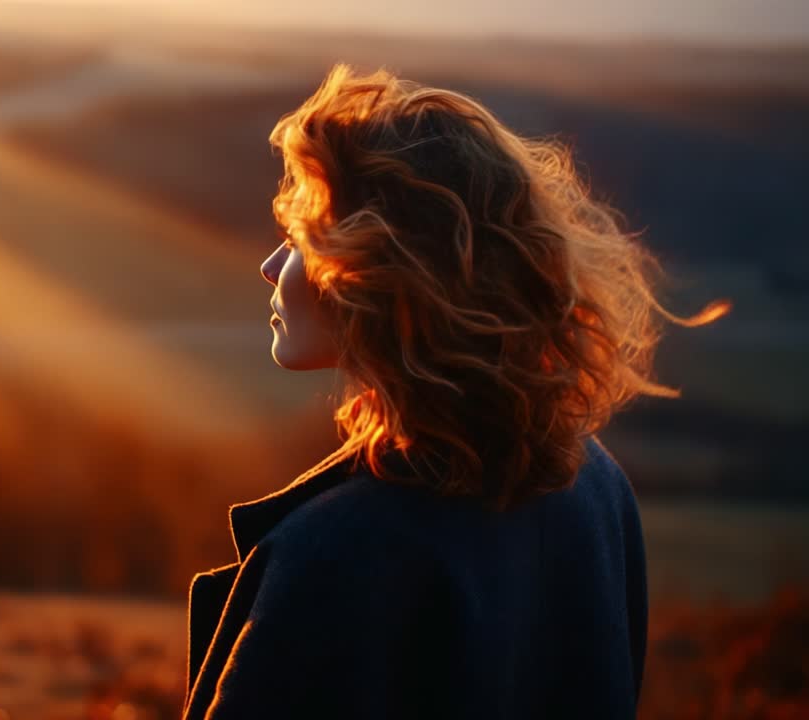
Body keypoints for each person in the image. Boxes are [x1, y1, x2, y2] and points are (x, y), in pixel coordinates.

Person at [181, 65, 728, 720]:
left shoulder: (335, 555)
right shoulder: (595, 485)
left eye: (301, 240)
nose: (271, 267)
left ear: (381, 274)